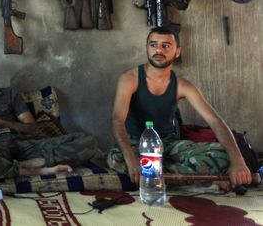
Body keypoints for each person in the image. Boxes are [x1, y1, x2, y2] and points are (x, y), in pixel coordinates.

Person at [108, 26, 252, 188]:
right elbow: (117, 120)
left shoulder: (182, 85)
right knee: (116, 159)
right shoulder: (130, 78)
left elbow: (215, 121)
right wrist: (131, 159)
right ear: (147, 48)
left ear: (177, 52)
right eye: (153, 45)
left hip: (169, 145)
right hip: (137, 145)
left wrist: (238, 162)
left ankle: (156, 175)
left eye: (166, 45)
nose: (158, 50)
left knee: (223, 155)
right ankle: (188, 177)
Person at [0, 52, 99, 179]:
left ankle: (17, 165)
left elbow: (33, 130)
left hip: (23, 146)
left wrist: (0, 123)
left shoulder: (9, 94)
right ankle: (33, 170)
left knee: (88, 141)